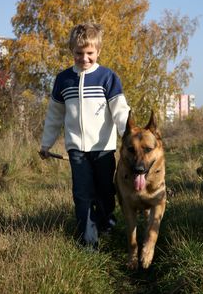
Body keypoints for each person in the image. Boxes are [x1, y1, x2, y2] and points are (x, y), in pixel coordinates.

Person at [40, 23, 130, 248]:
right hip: (76, 149)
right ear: (72, 51)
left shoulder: (107, 77)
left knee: (105, 191)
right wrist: (46, 144)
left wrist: (128, 137)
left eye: (89, 53)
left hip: (103, 148)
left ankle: (106, 223)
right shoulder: (63, 80)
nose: (84, 58)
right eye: (79, 53)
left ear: (98, 51)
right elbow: (54, 115)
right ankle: (89, 242)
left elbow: (120, 111)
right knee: (82, 194)